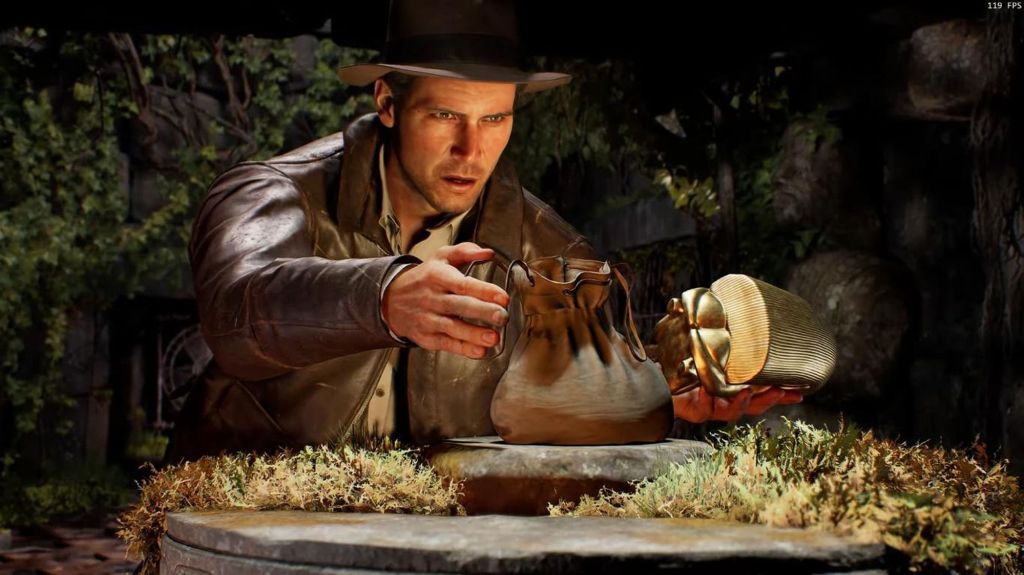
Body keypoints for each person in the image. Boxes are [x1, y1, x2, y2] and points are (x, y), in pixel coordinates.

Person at [165, 0, 799, 463]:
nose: (473, 149)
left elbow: (580, 394)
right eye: (445, 115)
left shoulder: (550, 249)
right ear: (387, 103)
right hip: (243, 521)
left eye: (496, 119)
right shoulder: (273, 193)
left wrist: (662, 394)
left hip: (434, 538)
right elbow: (236, 317)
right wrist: (382, 297)